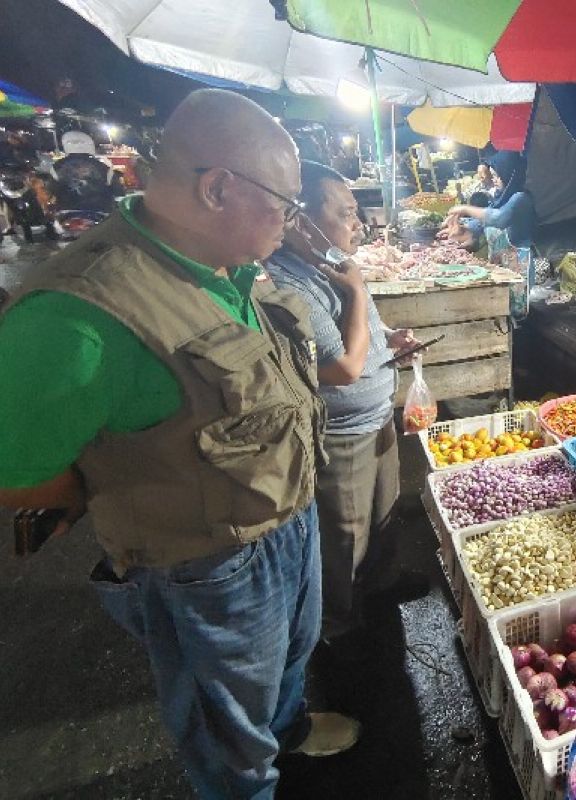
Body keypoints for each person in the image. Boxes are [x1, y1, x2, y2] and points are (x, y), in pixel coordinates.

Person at [0, 89, 360, 799]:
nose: (291, 222)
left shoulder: (223, 261)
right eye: (284, 205)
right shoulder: (78, 314)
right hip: (205, 561)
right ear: (218, 187)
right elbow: (16, 471)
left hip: (286, 520)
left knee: (287, 661)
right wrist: (106, 487)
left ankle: (286, 730)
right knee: (222, 721)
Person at [264, 160, 425, 658]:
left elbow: (360, 332)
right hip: (342, 432)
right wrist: (355, 289)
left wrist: (388, 339)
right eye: (347, 212)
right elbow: (340, 368)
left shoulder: (327, 263)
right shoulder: (286, 284)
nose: (359, 223)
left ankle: (379, 589)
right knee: (344, 536)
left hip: (377, 419)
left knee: (384, 515)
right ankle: (338, 623)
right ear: (298, 219)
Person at [441, 151, 535, 250]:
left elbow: (498, 218)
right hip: (504, 261)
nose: (494, 180)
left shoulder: (521, 198)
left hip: (525, 259)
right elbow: (482, 222)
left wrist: (465, 209)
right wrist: (466, 229)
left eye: (497, 176)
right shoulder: (499, 199)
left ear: (509, 175)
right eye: (493, 176)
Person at [50, 130, 125, 213]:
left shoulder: (56, 167)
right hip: (100, 213)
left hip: (67, 214)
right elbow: (118, 192)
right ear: (89, 144)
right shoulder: (103, 166)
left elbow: (51, 191)